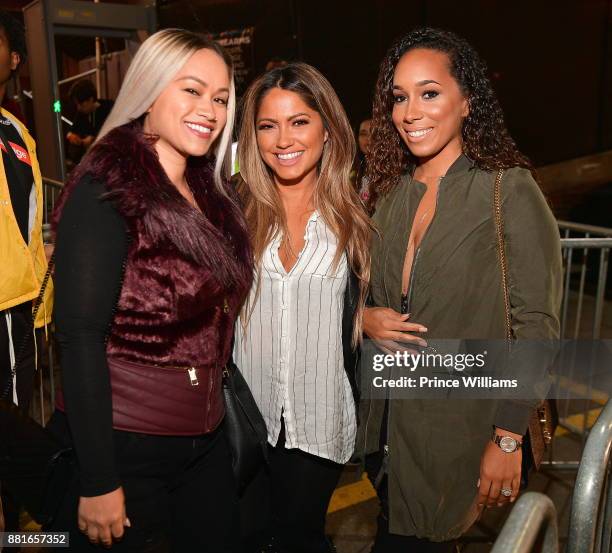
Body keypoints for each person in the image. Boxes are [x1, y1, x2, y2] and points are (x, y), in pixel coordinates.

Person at [47, 29, 253, 551]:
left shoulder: (208, 193)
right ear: (149, 89)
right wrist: (98, 479)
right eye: (191, 89)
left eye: (221, 97)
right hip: (125, 446)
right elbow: (79, 335)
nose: (209, 108)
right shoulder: (109, 186)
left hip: (203, 438)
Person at [359, 28, 562, 552]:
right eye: (400, 97)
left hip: (461, 430)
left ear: (467, 102)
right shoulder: (392, 194)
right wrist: (364, 318)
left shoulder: (506, 188)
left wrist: (508, 436)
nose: (411, 111)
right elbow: (367, 294)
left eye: (429, 93)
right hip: (388, 431)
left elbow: (536, 324)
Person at [234, 62, 371, 553]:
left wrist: (365, 317)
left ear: (327, 129)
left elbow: (365, 302)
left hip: (319, 419)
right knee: (245, 539)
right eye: (268, 125)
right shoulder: (235, 209)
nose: (283, 139)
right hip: (245, 419)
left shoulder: (356, 219)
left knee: (298, 539)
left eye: (299, 122)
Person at [0, 7, 53, 536]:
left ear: (13, 59)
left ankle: (11, 533)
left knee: (14, 429)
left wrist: (44, 296)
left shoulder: (17, 132)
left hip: (16, 307)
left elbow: (32, 222)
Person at [65, 79, 113, 163]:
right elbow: (71, 130)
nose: (78, 108)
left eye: (81, 104)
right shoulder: (81, 113)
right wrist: (71, 136)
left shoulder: (108, 108)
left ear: (91, 99)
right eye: (77, 104)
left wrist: (93, 139)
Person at [351, 117, 371, 200]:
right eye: (363, 134)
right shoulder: (351, 170)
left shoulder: (391, 171)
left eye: (374, 133)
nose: (369, 138)